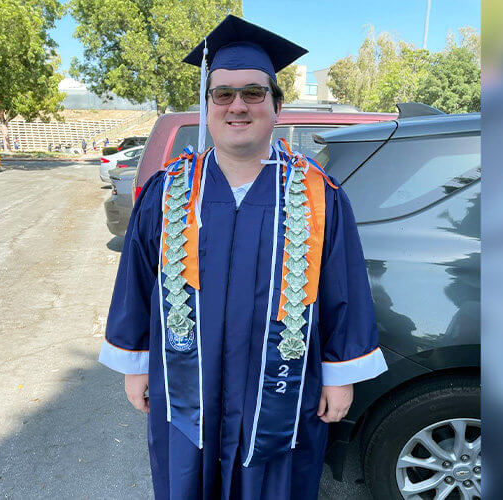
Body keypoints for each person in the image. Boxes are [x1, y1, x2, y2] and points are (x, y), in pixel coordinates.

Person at [99, 15, 387, 500]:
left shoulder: (318, 196)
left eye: (254, 93)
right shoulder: (167, 193)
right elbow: (136, 281)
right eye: (223, 94)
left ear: (276, 106)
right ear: (207, 106)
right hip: (184, 388)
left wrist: (341, 377)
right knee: (187, 478)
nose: (238, 106)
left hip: (282, 391)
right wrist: (136, 365)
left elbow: (344, 291)